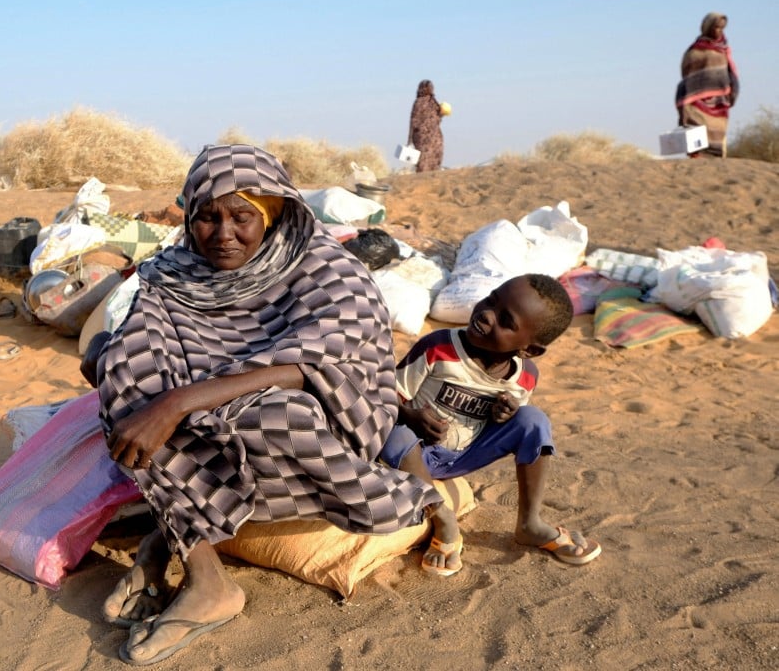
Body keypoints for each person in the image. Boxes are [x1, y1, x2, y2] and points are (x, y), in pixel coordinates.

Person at [83, 144, 440, 665]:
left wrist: (181, 401)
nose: (222, 233)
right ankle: (207, 579)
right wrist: (112, 359)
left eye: (241, 216)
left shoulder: (328, 267)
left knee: (270, 416)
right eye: (206, 216)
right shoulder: (176, 271)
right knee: (126, 379)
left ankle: (164, 541)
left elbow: (324, 360)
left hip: (325, 411)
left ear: (272, 212)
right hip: (211, 395)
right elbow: (141, 336)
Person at [380, 274, 602, 577]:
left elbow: (512, 425)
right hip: (411, 455)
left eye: (505, 320)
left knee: (534, 420)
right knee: (393, 431)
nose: (486, 314)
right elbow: (385, 398)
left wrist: (505, 415)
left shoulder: (525, 376)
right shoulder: (439, 347)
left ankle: (530, 524)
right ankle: (441, 515)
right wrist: (411, 416)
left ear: (529, 350)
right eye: (491, 299)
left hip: (461, 457)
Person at [676, 12, 739, 158]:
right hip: (696, 100)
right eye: (716, 27)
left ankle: (714, 163)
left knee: (716, 134)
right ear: (708, 27)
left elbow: (729, 72)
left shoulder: (724, 49)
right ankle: (697, 164)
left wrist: (731, 90)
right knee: (697, 133)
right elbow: (688, 73)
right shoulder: (696, 49)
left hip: (719, 101)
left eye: (722, 28)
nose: (719, 31)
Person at [407, 79, 447, 172]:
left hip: (435, 136)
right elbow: (413, 121)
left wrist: (442, 113)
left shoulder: (433, 102)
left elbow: (437, 118)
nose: (432, 89)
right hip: (423, 137)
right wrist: (409, 139)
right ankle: (422, 178)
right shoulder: (419, 102)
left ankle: (433, 175)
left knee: (435, 156)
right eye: (430, 87)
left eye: (432, 87)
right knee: (423, 159)